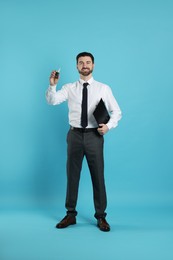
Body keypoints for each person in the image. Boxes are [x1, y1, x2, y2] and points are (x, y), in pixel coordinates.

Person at [46, 52, 122, 232]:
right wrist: (52, 86)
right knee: (72, 175)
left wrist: (108, 126)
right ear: (77, 67)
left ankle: (101, 217)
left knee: (98, 175)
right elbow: (52, 101)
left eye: (88, 62)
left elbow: (117, 112)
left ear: (93, 65)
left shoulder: (103, 88)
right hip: (74, 135)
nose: (85, 65)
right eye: (81, 63)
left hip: (94, 136)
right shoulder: (69, 87)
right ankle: (70, 214)